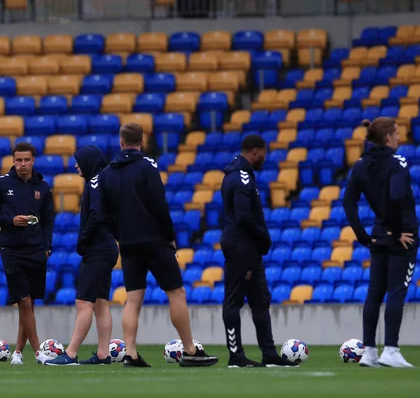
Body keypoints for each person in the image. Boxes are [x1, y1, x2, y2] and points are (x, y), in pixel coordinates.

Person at [99, 123, 218, 368]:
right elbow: (159, 205)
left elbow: (104, 213)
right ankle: (190, 350)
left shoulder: (107, 173)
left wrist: (119, 235)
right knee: (176, 293)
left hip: (129, 244)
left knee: (133, 299)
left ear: (121, 143)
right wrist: (169, 236)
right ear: (142, 141)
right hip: (154, 240)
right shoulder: (147, 165)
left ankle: (130, 352)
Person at [343, 118, 417, 368]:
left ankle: (370, 352)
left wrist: (363, 236)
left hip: (377, 235)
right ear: (387, 137)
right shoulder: (397, 162)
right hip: (401, 237)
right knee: (397, 291)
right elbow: (396, 196)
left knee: (374, 293)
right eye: (396, 134)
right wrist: (397, 231)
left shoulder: (361, 165)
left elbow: (348, 202)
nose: (400, 138)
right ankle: (391, 350)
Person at [220, 134, 298, 368]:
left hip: (248, 247)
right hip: (242, 246)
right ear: (255, 151)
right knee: (234, 300)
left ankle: (269, 353)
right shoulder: (242, 178)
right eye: (264, 152)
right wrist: (263, 236)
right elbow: (244, 216)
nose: (265, 157)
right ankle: (236, 355)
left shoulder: (236, 175)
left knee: (260, 300)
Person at [45, 146, 119, 366]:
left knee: (83, 302)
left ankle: (71, 353)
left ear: (88, 161)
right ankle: (104, 354)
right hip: (107, 247)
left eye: (79, 161)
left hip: (98, 248)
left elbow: (97, 213)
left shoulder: (95, 180)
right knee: (100, 303)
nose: (76, 165)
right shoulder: (103, 180)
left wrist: (83, 239)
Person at [0, 142, 55, 366]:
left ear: (34, 160)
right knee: (23, 300)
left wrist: (47, 247)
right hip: (11, 250)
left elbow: (49, 220)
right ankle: (38, 353)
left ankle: (17, 352)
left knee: (29, 304)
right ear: (13, 161)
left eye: (26, 160)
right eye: (18, 160)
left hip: (36, 250)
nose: (22, 164)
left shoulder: (43, 187)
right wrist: (10, 221)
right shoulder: (2, 185)